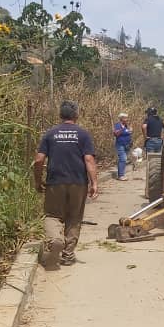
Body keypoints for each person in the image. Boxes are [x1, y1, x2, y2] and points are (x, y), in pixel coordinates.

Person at [33, 101, 98, 270]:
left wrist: (37, 180)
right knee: (74, 217)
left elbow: (39, 160)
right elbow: (89, 159)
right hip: (78, 182)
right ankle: (68, 255)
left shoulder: (50, 134)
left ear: (60, 115)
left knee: (52, 215)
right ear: (76, 115)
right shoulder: (83, 135)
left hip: (55, 182)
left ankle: (55, 240)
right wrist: (94, 183)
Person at [113, 113, 132, 180]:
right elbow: (116, 134)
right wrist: (122, 129)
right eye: (125, 118)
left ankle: (121, 174)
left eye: (127, 118)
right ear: (121, 118)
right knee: (123, 159)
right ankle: (121, 175)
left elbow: (129, 133)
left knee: (123, 160)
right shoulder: (117, 125)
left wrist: (130, 131)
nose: (127, 119)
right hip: (120, 144)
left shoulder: (127, 125)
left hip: (127, 145)